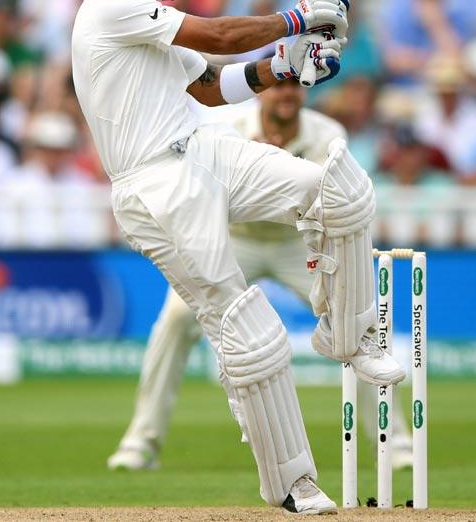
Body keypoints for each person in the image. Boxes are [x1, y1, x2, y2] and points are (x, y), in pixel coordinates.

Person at [71, 0, 404, 515]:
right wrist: (295, 20)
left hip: (202, 146)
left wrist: (282, 67)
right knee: (247, 329)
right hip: (154, 184)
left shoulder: (148, 17)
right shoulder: (108, 10)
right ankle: (293, 483)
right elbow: (220, 33)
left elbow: (211, 86)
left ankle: (350, 334)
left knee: (337, 189)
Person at [106, 79, 414, 474]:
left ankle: (396, 443)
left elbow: (326, 200)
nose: (286, 95)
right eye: (278, 88)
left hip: (297, 242)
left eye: (294, 89)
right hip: (235, 238)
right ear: (262, 92)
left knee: (356, 324)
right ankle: (140, 443)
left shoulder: (327, 134)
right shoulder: (228, 129)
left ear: (303, 94)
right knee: (177, 318)